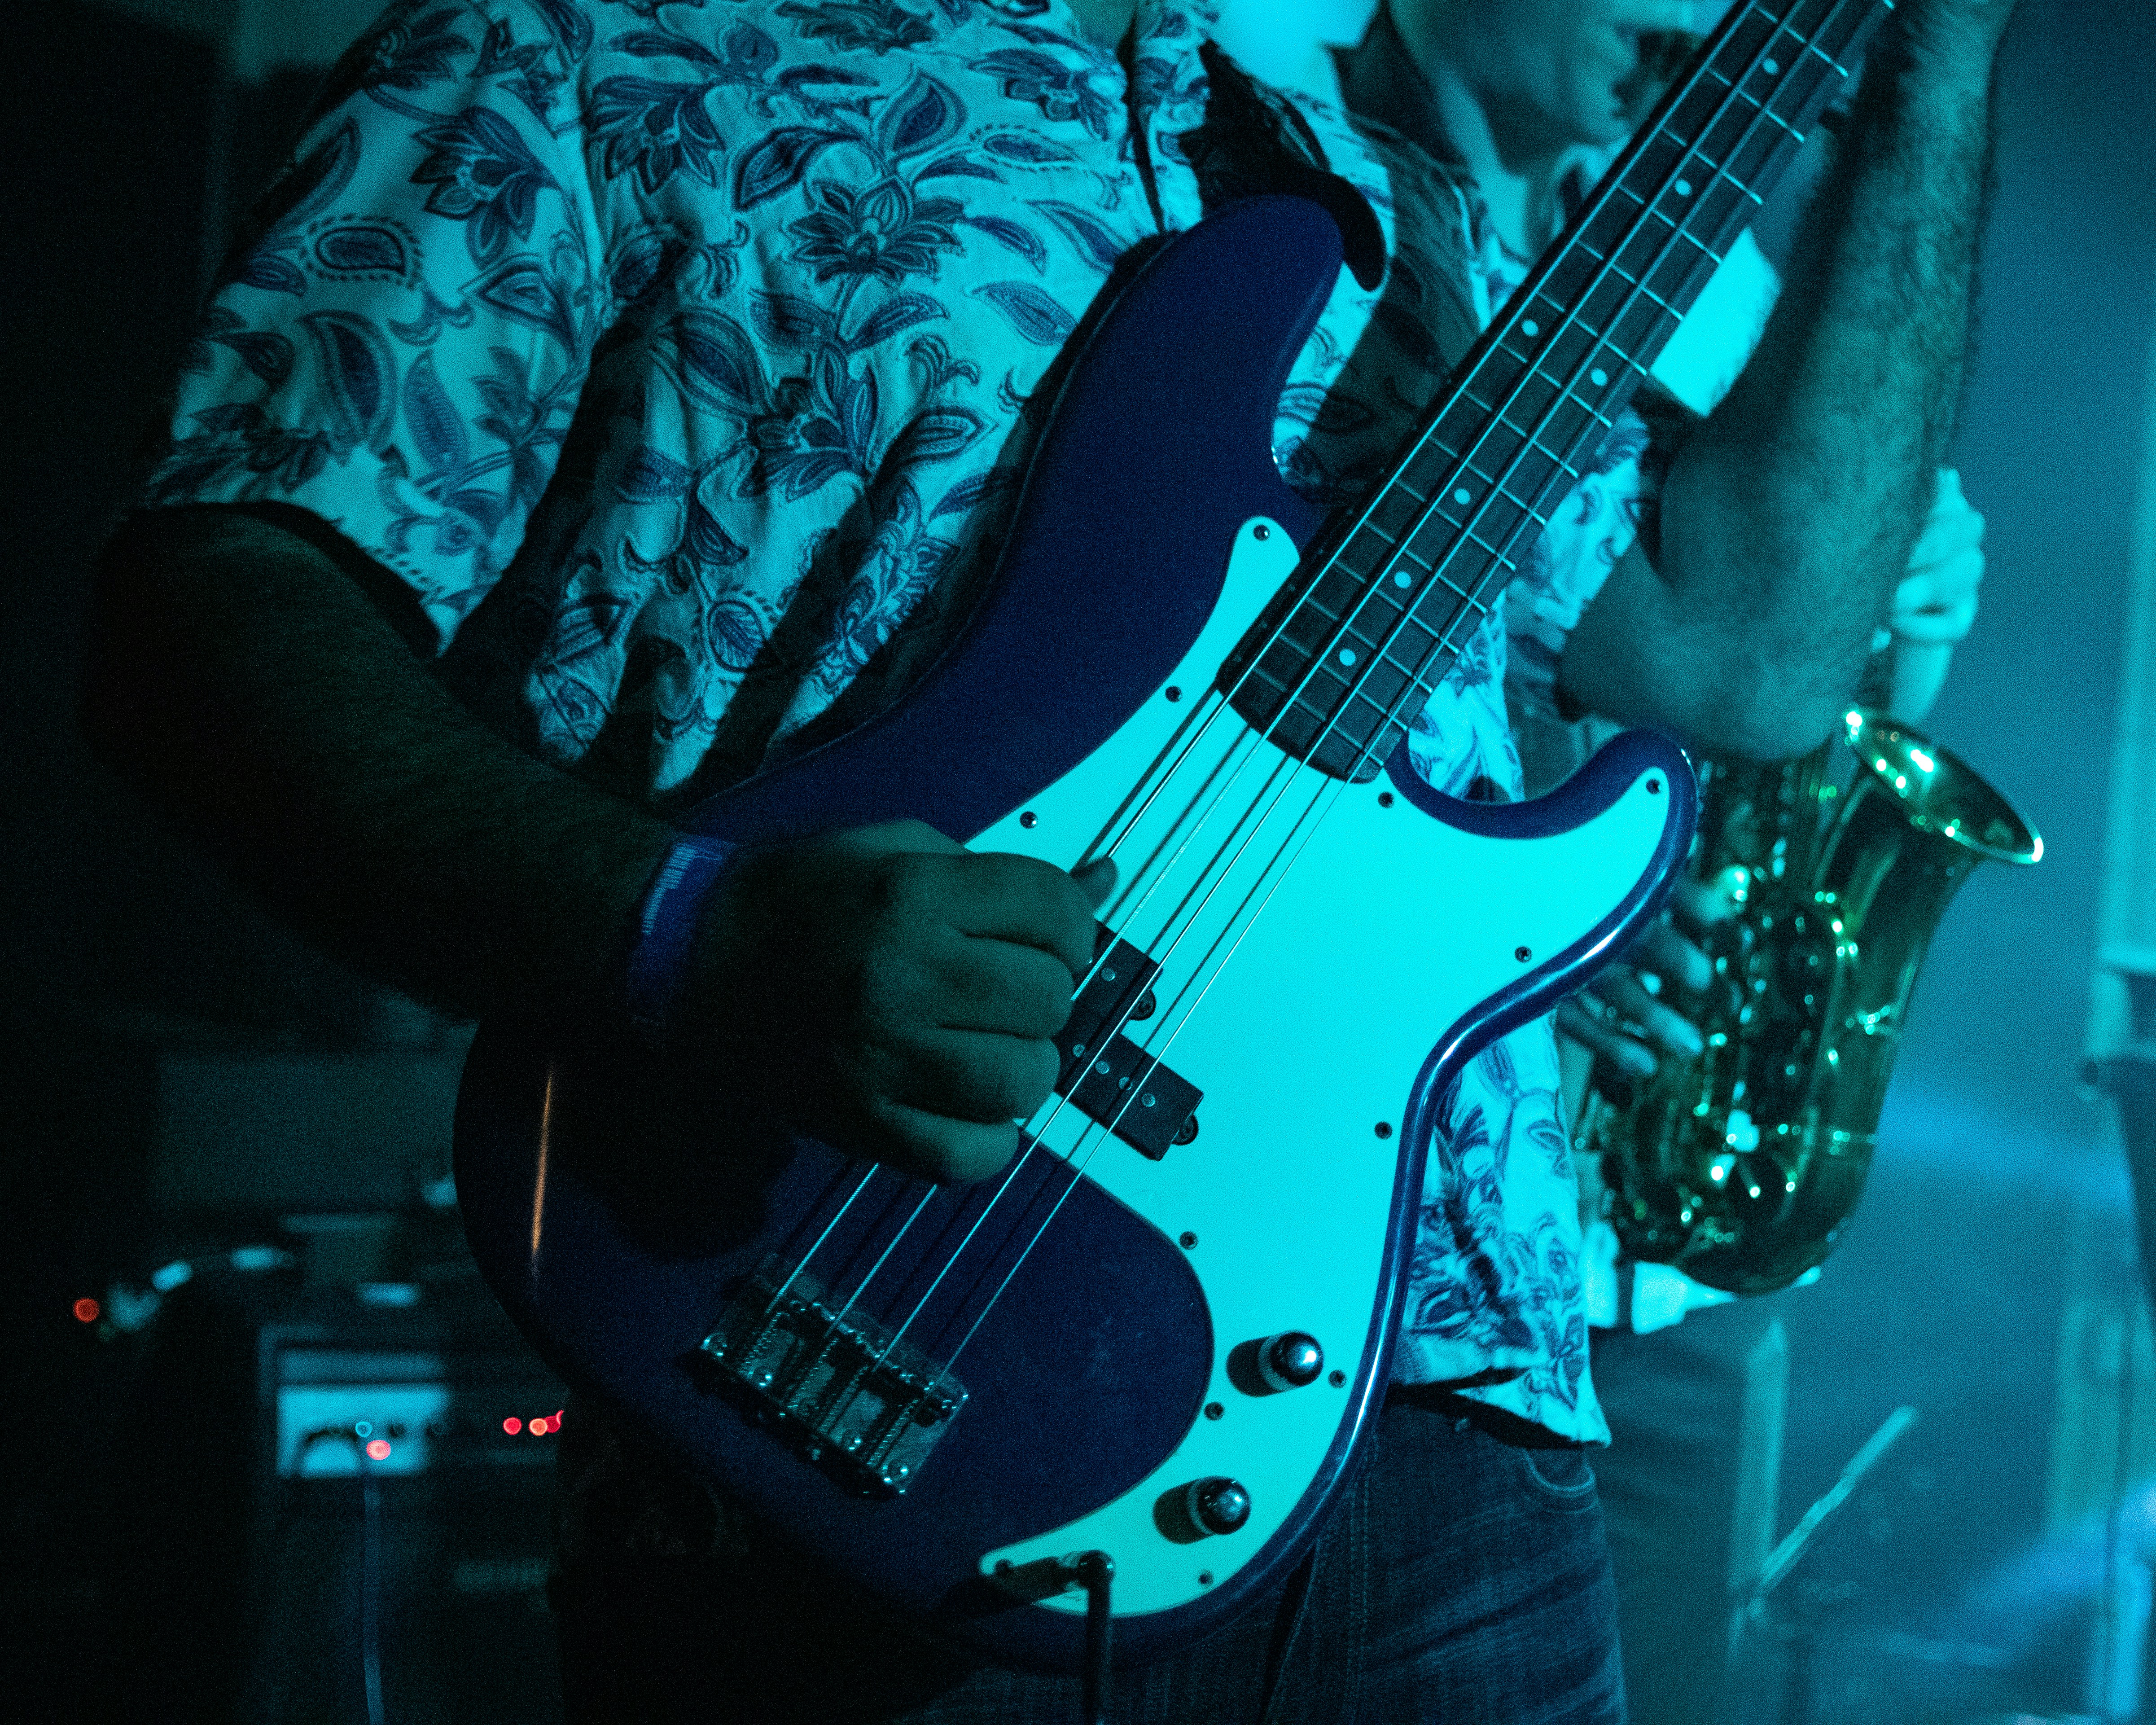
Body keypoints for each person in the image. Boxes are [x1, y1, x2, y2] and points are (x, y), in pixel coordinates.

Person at [83, 0, 2017, 1717]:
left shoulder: (1369, 179)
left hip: (1449, 1439)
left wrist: (1936, 51)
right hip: (854, 1339)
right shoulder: (582, 42)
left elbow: (1746, 659)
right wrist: (688, 924)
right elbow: (219, 604)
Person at [1339, 4, 1989, 1720]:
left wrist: (1907, 612)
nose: (1706, 24)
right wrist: (1537, 937)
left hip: (1651, 1274)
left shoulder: (1730, 296)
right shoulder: (1305, 193)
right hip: (1391, 1252)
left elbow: (1802, 709)